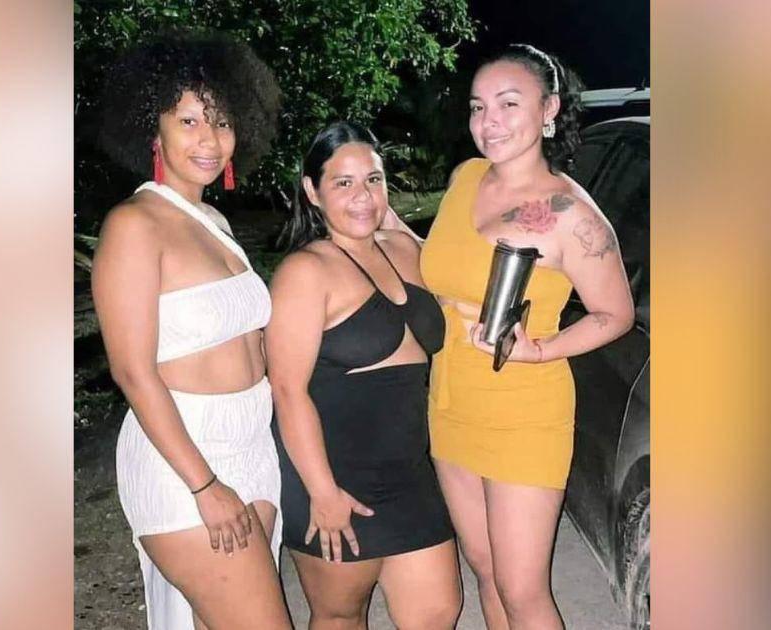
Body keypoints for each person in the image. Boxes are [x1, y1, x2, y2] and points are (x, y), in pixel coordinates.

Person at [405, 44, 635, 629]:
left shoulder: (570, 214)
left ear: (548, 109)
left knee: (522, 590)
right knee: (485, 568)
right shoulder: (465, 178)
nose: (490, 121)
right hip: (451, 399)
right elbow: (445, 263)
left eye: (509, 103)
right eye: (478, 106)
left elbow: (614, 314)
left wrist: (540, 350)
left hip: (523, 409)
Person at [91, 33, 290, 630]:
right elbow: (132, 372)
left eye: (223, 122)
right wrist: (204, 485)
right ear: (153, 130)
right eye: (190, 121)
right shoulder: (134, 225)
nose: (210, 139)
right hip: (185, 456)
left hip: (251, 444)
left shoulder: (213, 220)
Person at [267, 122, 462, 630]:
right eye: (343, 182)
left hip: (410, 474)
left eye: (373, 180)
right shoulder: (305, 272)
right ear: (312, 191)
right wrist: (322, 492)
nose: (363, 196)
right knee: (341, 617)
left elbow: (459, 292)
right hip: (334, 476)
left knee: (438, 612)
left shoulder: (404, 250)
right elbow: (287, 391)